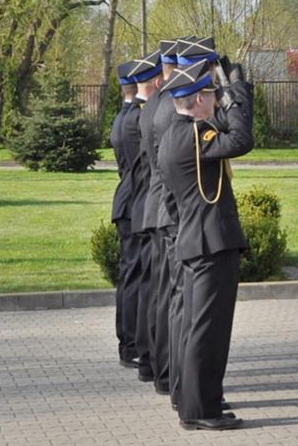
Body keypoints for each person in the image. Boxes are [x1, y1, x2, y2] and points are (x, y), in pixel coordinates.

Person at [156, 57, 255, 432]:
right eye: (212, 95)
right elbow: (241, 140)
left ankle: (198, 400)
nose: (215, 101)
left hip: (197, 240)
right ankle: (198, 409)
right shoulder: (193, 136)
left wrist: (232, 95)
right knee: (206, 331)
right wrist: (236, 92)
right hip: (210, 243)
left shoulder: (175, 136)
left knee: (199, 327)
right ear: (198, 99)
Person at [136, 38, 185, 394]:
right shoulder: (169, 104)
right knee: (170, 294)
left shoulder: (154, 101)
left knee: (160, 292)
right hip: (168, 209)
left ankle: (156, 366)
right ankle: (166, 372)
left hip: (156, 206)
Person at [110, 55, 163, 372]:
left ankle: (129, 342)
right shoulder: (135, 119)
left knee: (131, 275)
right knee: (138, 277)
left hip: (129, 202)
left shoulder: (125, 116)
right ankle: (132, 343)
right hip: (138, 204)